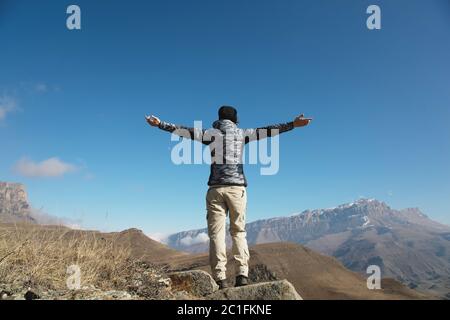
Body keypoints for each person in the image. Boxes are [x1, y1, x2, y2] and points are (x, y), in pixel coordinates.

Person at [146, 106, 311, 289]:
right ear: (235, 119)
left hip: (216, 190)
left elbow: (184, 131)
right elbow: (269, 131)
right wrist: (293, 124)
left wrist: (160, 124)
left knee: (216, 235)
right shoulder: (242, 134)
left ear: (219, 118)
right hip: (237, 189)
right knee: (238, 232)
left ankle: (220, 279)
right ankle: (242, 275)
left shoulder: (209, 134)